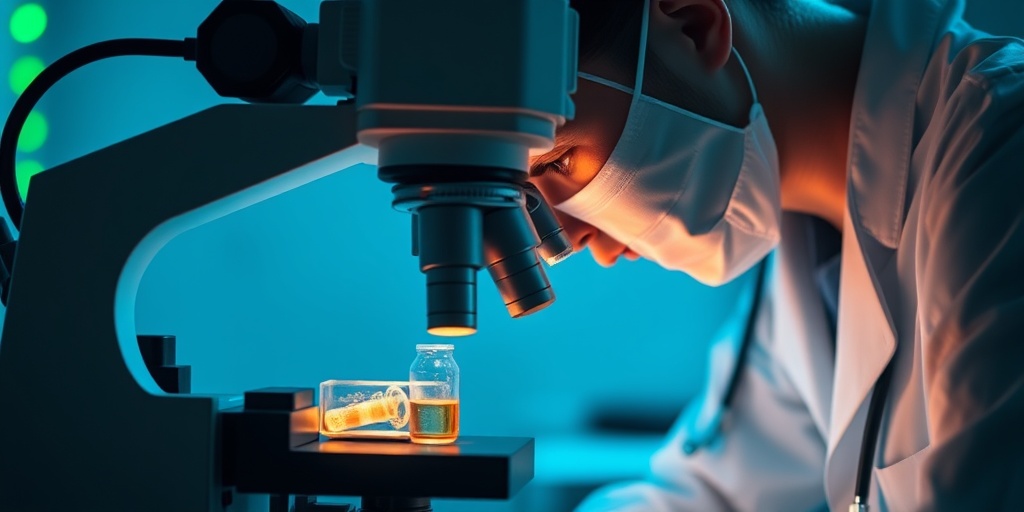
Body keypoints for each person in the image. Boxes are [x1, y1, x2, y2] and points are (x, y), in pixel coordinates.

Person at [527, 0, 1024, 510]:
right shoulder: (804, 249)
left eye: (559, 159)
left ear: (695, 28)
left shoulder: (1000, 142)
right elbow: (715, 492)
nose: (566, 237)